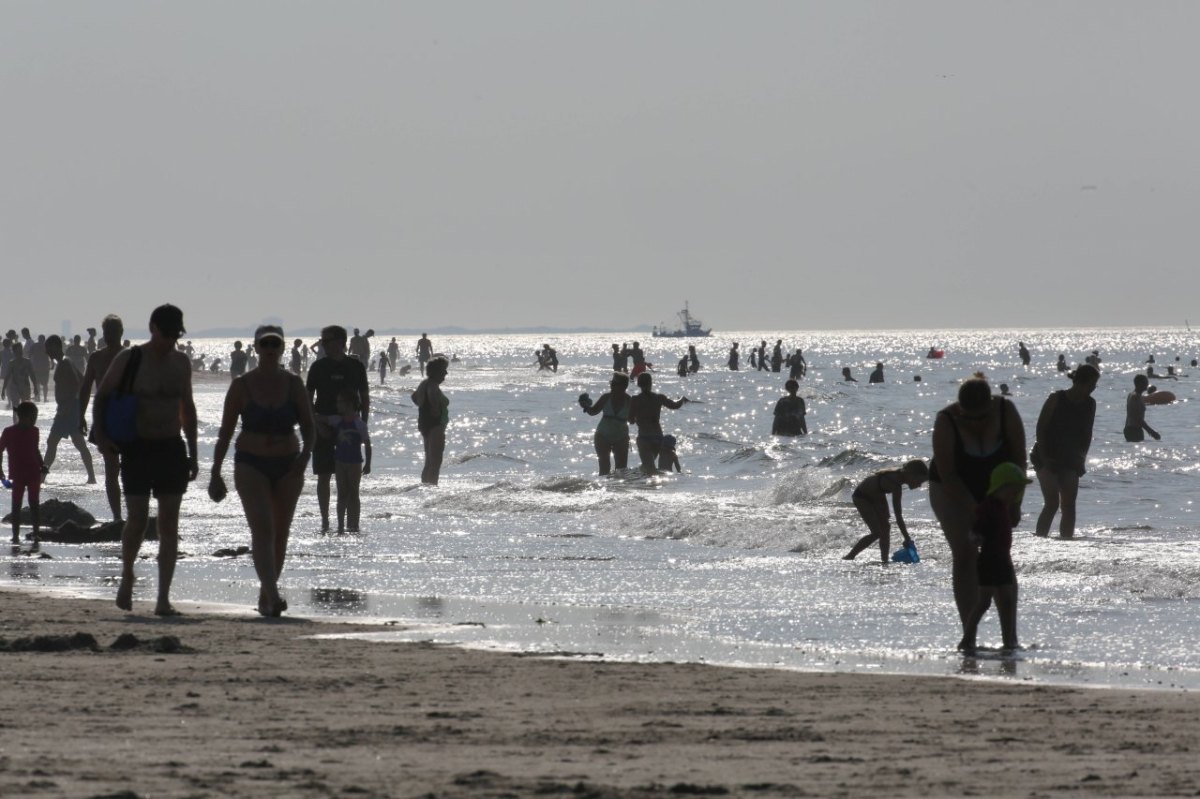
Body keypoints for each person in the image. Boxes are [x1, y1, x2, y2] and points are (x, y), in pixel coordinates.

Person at [92, 304, 198, 617]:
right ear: (153, 328)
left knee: (168, 523)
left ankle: (163, 598)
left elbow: (187, 408)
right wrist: (102, 437)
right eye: (166, 335)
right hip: (137, 447)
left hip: (170, 448)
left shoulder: (181, 362)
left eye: (175, 336)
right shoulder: (130, 358)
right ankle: (127, 575)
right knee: (137, 519)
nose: (170, 342)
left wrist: (192, 451)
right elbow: (102, 397)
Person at [208, 325, 314, 617]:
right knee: (262, 529)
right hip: (250, 463)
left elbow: (309, 427)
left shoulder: (294, 384)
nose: (269, 349)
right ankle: (274, 594)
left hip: (288, 464)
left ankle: (266, 595)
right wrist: (215, 472)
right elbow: (225, 432)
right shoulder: (242, 385)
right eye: (265, 344)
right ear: (256, 348)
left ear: (282, 349)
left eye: (275, 344)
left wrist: (305, 458)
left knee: (280, 533)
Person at [928, 375, 1027, 649]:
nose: (976, 423)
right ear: (960, 410)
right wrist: (976, 512)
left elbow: (1020, 459)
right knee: (965, 553)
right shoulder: (946, 420)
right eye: (969, 418)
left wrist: (1015, 503)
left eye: (982, 417)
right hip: (952, 488)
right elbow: (948, 474)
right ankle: (969, 635)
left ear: (991, 404)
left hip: (997, 485)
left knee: (999, 554)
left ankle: (1011, 638)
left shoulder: (1006, 411)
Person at [961, 462, 1031, 655]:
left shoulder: (1002, 507)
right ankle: (967, 639)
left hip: (1003, 561)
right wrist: (975, 537)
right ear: (1002, 486)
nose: (1016, 494)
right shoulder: (988, 507)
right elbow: (976, 530)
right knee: (984, 602)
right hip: (989, 561)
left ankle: (1009, 642)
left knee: (1008, 600)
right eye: (1014, 489)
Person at [307, 325, 370, 531]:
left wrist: (363, 426)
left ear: (341, 342)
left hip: (349, 429)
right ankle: (325, 521)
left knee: (350, 482)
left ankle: (351, 525)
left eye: (327, 340)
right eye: (322, 341)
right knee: (324, 475)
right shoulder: (318, 367)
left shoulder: (355, 366)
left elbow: (365, 396)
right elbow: (307, 399)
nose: (323, 344)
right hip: (323, 425)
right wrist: (315, 424)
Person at [1030, 364, 1098, 539]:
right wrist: (1045, 458)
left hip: (1070, 458)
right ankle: (1039, 541)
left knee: (1069, 505)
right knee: (1052, 503)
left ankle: (1067, 544)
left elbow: (1087, 433)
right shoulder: (1056, 398)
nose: (1093, 388)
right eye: (1091, 384)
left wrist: (1081, 460)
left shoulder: (1090, 403)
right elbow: (1040, 428)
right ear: (1081, 383)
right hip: (1046, 455)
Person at [79, 314, 126, 522]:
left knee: (131, 468)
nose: (110, 336)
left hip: (128, 416)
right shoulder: (96, 358)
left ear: (120, 333)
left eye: (113, 333)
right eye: (107, 333)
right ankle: (117, 516)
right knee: (111, 469)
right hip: (104, 417)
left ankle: (132, 515)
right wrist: (80, 415)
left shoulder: (130, 356)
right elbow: (86, 388)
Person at [843, 460, 929, 564]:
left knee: (886, 527)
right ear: (911, 474)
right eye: (919, 481)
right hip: (862, 497)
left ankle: (884, 560)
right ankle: (850, 556)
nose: (919, 485)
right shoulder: (895, 484)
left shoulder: (897, 479)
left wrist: (907, 538)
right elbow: (898, 516)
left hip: (876, 495)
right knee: (877, 532)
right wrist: (907, 538)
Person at [41, 335, 96, 484]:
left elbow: (77, 382)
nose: (47, 352)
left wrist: (69, 403)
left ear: (56, 347)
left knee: (53, 441)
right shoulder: (66, 361)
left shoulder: (65, 362)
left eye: (48, 349)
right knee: (76, 443)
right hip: (69, 408)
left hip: (68, 410)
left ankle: (41, 477)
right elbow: (82, 379)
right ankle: (92, 477)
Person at [319, 389, 370, 533]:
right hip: (340, 462)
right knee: (342, 494)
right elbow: (320, 418)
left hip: (355, 462)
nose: (337, 405)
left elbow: (367, 443)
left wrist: (368, 463)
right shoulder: (337, 420)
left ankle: (354, 524)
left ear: (349, 404)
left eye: (340, 402)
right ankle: (341, 525)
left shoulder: (360, 424)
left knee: (354, 493)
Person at [0, 402, 46, 546]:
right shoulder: (8, 432)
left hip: (33, 473)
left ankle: (36, 534)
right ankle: (15, 536)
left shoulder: (35, 431)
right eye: (33, 417)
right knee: (16, 505)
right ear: (23, 417)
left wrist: (42, 464)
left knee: (34, 504)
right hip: (18, 474)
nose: (34, 420)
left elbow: (35, 450)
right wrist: (0, 472)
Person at [628, 371, 688, 475]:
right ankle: (639, 477)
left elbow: (631, 420)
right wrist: (682, 399)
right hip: (658, 437)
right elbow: (675, 405)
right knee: (648, 466)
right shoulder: (659, 398)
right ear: (651, 383)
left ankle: (652, 486)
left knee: (649, 468)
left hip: (644, 437)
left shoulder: (635, 399)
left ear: (638, 384)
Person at [579, 373, 631, 475]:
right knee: (604, 468)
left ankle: (618, 490)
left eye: (614, 383)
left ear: (624, 386)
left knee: (621, 470)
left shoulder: (629, 400)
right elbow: (593, 412)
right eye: (611, 383)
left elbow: (634, 419)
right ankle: (604, 489)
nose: (611, 385)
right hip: (602, 435)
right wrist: (585, 405)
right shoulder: (606, 397)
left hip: (622, 437)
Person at [411, 356, 449, 485]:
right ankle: (432, 487)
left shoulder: (425, 383)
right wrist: (435, 410)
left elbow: (414, 397)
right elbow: (432, 396)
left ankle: (425, 488)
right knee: (435, 461)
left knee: (429, 461)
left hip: (426, 424)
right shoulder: (432, 385)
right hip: (435, 425)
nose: (446, 373)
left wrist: (423, 405)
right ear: (437, 371)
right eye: (444, 370)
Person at [1123, 373, 1160, 442]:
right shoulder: (1135, 397)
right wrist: (1152, 432)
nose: (1147, 384)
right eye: (1145, 382)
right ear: (1140, 383)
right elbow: (1138, 418)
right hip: (1134, 430)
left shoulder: (1132, 394)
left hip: (1129, 428)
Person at [2, 342, 35, 420]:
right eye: (18, 350)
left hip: (25, 387)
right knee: (15, 408)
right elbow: (7, 377)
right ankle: (15, 426)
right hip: (14, 387)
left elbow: (32, 375)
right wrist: (3, 390)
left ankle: (25, 426)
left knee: (26, 409)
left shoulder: (27, 362)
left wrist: (36, 387)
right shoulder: (12, 363)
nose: (20, 352)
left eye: (21, 350)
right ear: (14, 352)